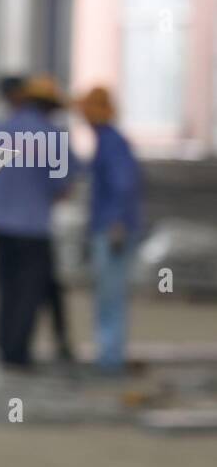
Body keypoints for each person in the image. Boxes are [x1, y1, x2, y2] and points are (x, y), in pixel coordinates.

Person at [0, 73, 77, 369]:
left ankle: (3, 348)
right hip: (33, 228)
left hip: (0, 225)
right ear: (50, 106)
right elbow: (63, 186)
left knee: (7, 288)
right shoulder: (53, 136)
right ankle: (18, 353)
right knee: (29, 292)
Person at [77, 86, 142, 374]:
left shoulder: (112, 142)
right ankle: (108, 355)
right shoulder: (106, 140)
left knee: (110, 295)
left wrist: (116, 224)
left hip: (113, 230)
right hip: (108, 226)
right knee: (107, 295)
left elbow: (123, 184)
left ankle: (111, 360)